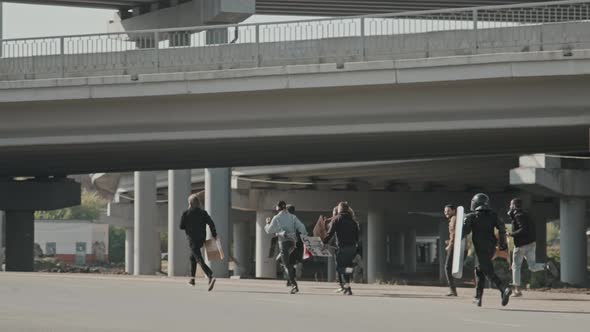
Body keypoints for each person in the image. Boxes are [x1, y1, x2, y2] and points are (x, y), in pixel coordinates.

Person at [462, 193, 512, 307]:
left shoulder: (472, 216)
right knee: (480, 270)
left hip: (480, 247)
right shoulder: (493, 215)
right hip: (491, 247)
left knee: (487, 271)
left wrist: (463, 222)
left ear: (475, 203)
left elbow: (465, 232)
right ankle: (478, 297)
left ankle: (503, 289)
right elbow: (502, 228)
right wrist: (503, 244)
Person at [508, 198, 558, 297]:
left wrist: (511, 234)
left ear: (514, 205)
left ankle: (517, 291)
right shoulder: (526, 214)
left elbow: (523, 229)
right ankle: (546, 266)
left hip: (521, 245)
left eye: (510, 205)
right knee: (532, 266)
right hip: (531, 244)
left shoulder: (518, 216)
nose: (509, 206)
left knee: (516, 266)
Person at [265, 200, 308, 294]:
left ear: (278, 208)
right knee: (286, 263)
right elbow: (302, 228)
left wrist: (267, 223)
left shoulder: (276, 217)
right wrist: (304, 235)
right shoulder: (293, 217)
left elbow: (269, 230)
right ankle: (291, 276)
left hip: (283, 243)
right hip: (293, 242)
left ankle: (294, 285)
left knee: (286, 264)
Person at [179, 193, 217, 291]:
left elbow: (181, 226)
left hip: (192, 239)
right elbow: (211, 223)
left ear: (190, 203)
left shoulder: (186, 213)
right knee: (192, 257)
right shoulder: (203, 213)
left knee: (198, 258)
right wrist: (214, 233)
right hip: (201, 239)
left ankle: (210, 276)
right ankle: (192, 280)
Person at [323, 201, 359, 296]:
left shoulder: (337, 219)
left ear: (339, 209)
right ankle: (347, 287)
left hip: (342, 247)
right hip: (352, 248)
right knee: (346, 267)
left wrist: (323, 242)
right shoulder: (353, 221)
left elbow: (330, 234)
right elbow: (357, 237)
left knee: (340, 268)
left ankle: (348, 282)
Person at [443, 204, 458, 296]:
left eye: (448, 211)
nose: (446, 213)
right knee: (449, 268)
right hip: (455, 246)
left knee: (447, 267)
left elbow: (454, 234)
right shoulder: (454, 219)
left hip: (454, 247)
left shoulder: (454, 219)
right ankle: (453, 289)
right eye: (445, 211)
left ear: (454, 210)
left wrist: (450, 245)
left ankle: (452, 290)